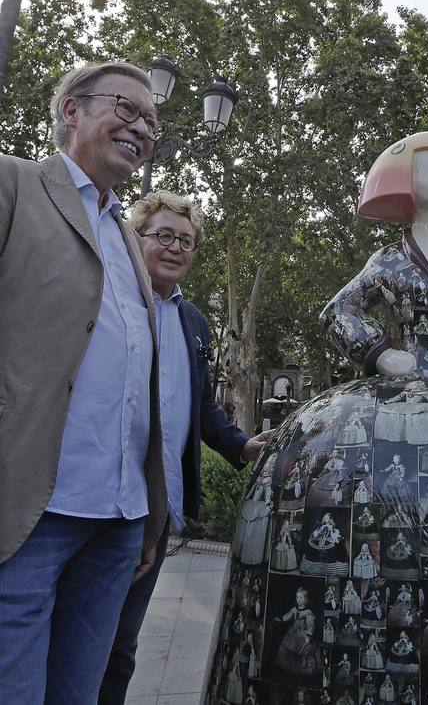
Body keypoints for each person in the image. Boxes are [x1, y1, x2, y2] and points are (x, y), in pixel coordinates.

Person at [0, 63, 168, 703]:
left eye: (151, 120)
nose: (142, 127)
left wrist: (149, 517)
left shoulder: (128, 237)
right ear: (72, 111)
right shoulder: (14, 184)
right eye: (127, 109)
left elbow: (136, 379)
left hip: (118, 522)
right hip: (28, 515)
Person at [99, 190, 271, 704]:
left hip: (160, 511)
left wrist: (243, 447)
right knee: (81, 639)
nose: (175, 247)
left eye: (187, 240)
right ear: (136, 237)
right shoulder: (109, 299)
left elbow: (201, 409)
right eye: (164, 236)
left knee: (121, 649)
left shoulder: (194, 322)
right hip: (105, 503)